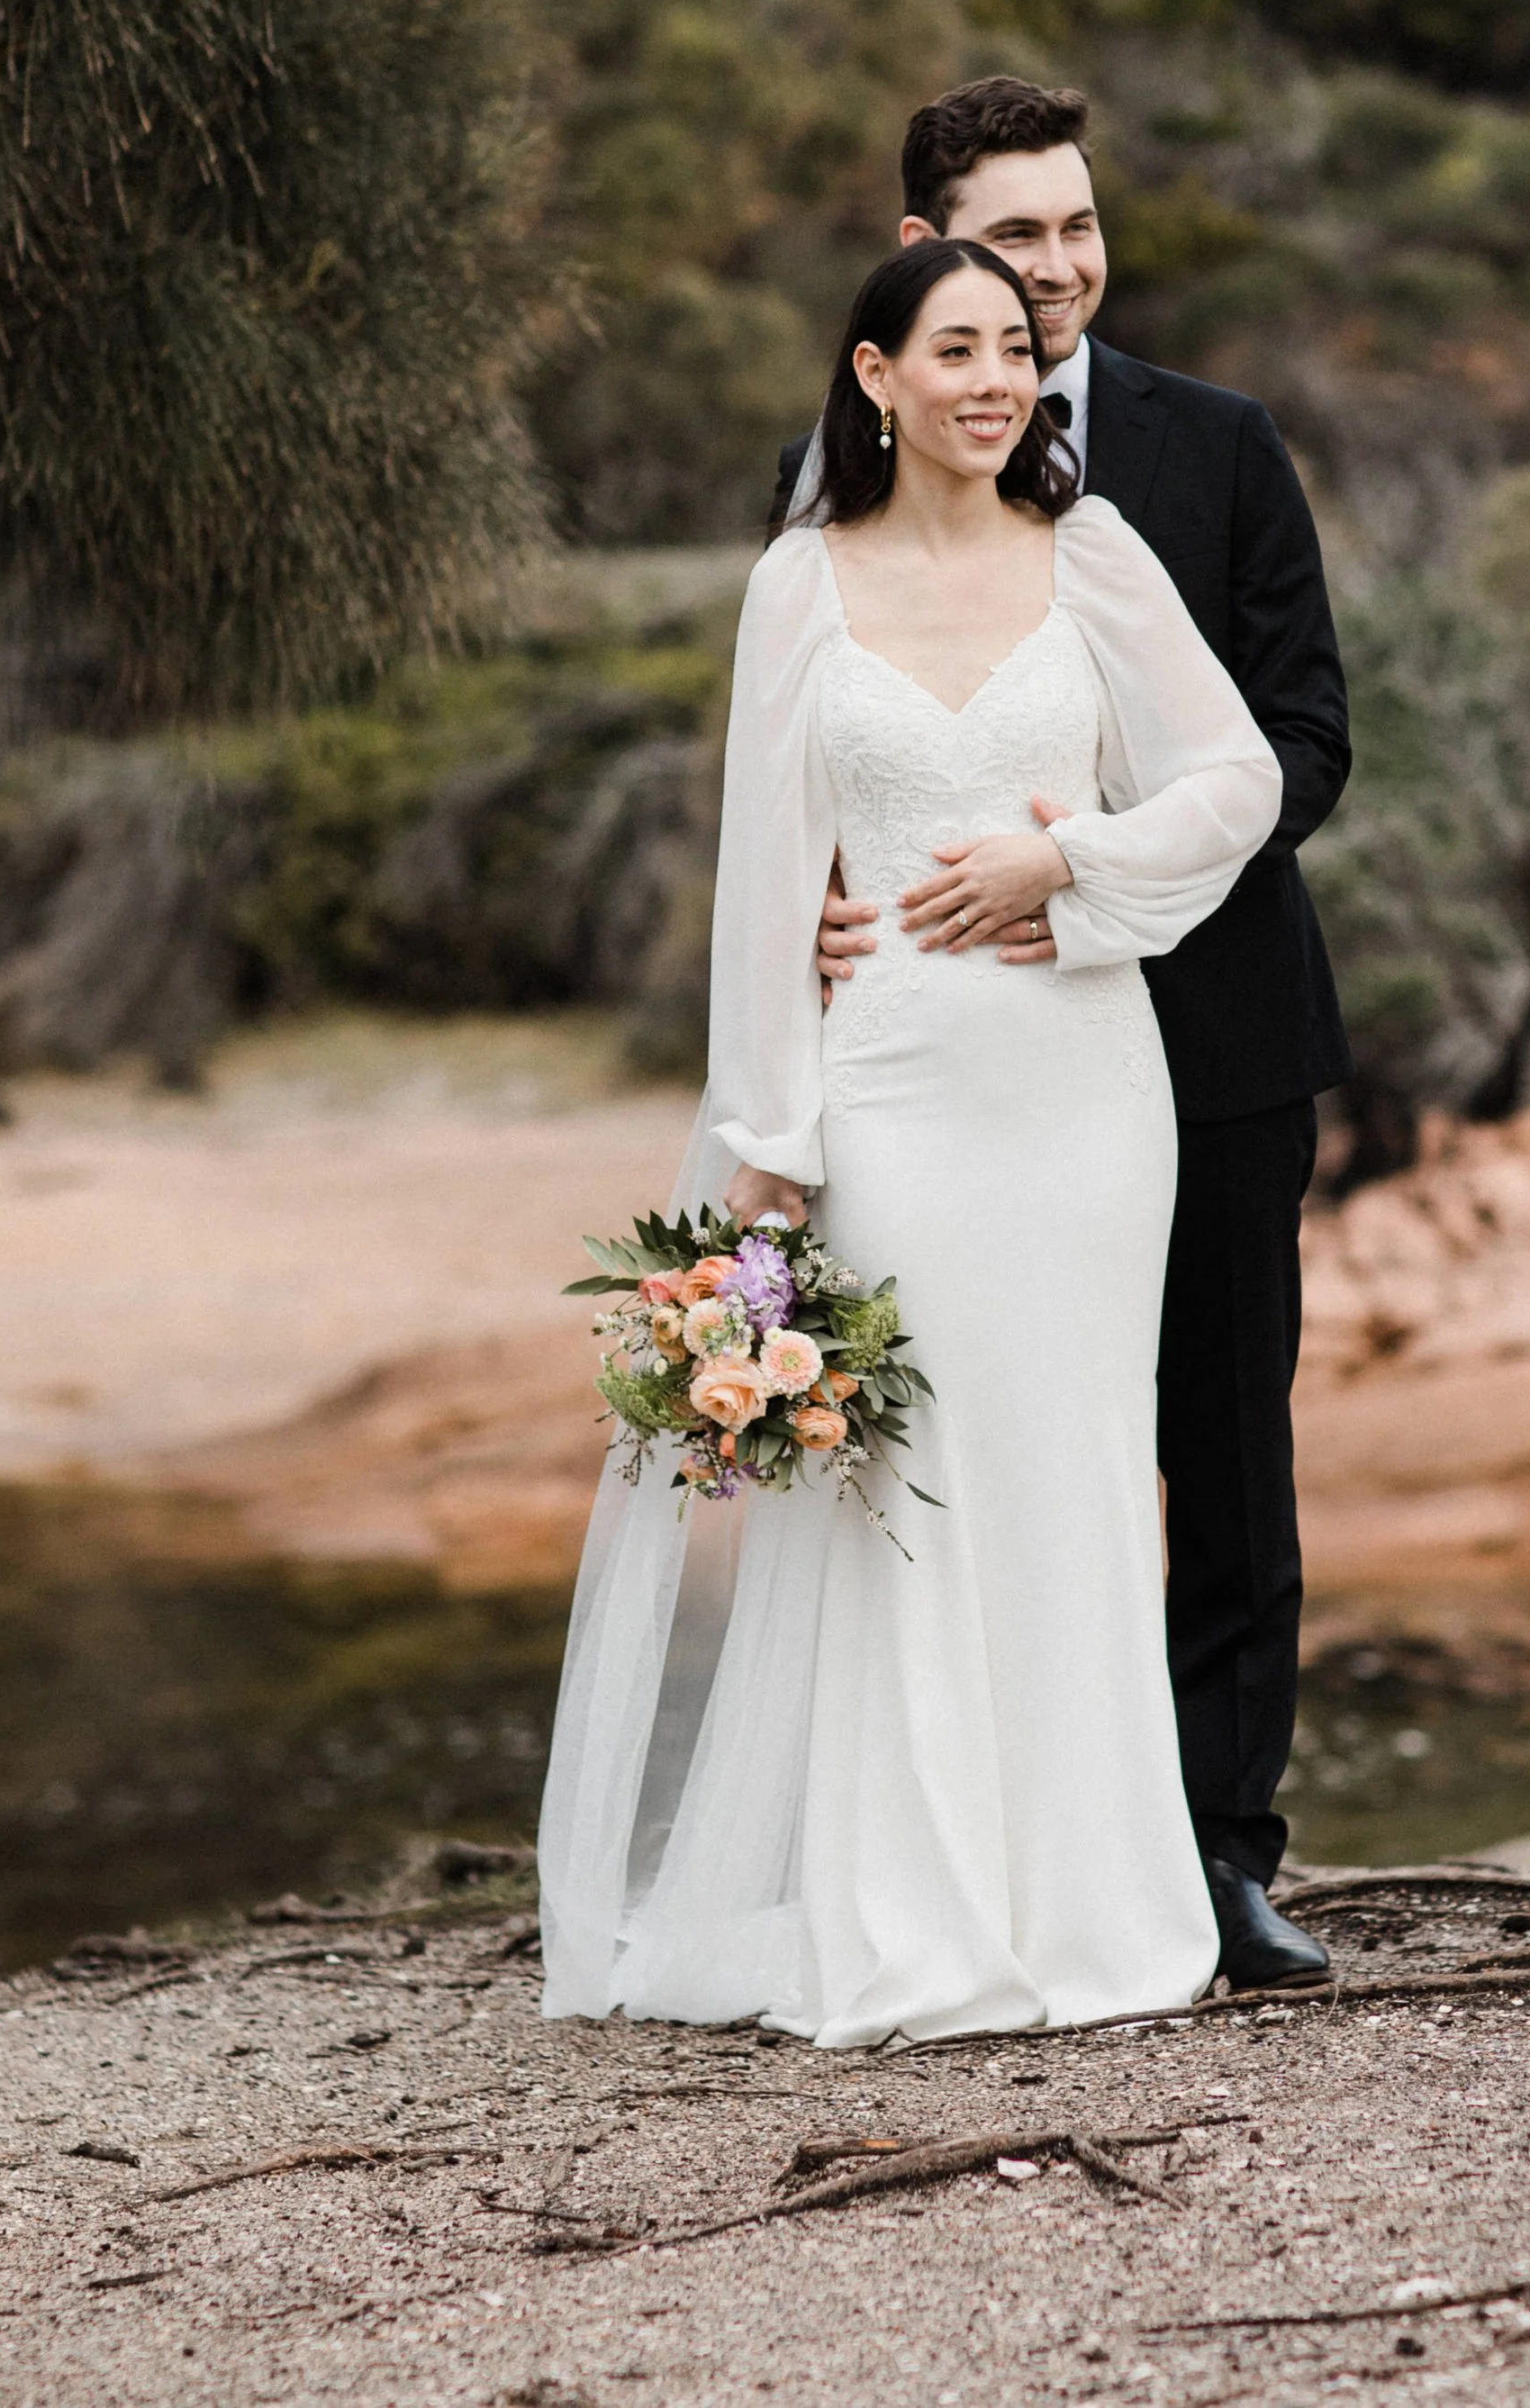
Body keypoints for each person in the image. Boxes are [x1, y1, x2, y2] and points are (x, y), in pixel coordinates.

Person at [539, 238, 1284, 2044]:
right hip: (891, 1092)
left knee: (1074, 1474)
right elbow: (761, 883)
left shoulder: (1090, 550)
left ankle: (1099, 1909)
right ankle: (910, 1917)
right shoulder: (796, 586)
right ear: (871, 375)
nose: (994, 378)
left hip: (1084, 1090)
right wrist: (766, 1143)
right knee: (911, 1487)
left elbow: (1238, 776)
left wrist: (1076, 870)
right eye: (952, 348)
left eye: (1015, 349)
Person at [775, 77, 1351, 1991]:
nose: (1056, 275)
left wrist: (1070, 867)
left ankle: (1222, 1858)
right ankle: (988, 1850)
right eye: (1014, 240)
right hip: (947, 1056)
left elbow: (1296, 743)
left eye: (1076, 229)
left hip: (1207, 1030)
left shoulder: (1218, 446)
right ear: (932, 246)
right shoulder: (840, 471)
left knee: (1216, 1449)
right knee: (980, 1442)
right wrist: (832, 918)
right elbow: (802, 755)